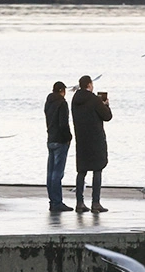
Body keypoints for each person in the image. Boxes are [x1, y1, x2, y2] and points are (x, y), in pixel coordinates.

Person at [70, 74, 112, 213]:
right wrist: (106, 105)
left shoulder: (75, 99)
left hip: (81, 140)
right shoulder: (94, 100)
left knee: (81, 171)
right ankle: (95, 202)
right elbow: (107, 117)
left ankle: (79, 202)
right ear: (89, 85)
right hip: (95, 140)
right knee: (97, 169)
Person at [44, 81, 73, 212]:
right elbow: (63, 124)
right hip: (60, 140)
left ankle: (52, 201)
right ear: (62, 90)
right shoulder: (62, 103)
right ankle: (57, 202)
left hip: (50, 139)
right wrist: (69, 137)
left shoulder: (48, 102)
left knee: (50, 173)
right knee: (57, 173)